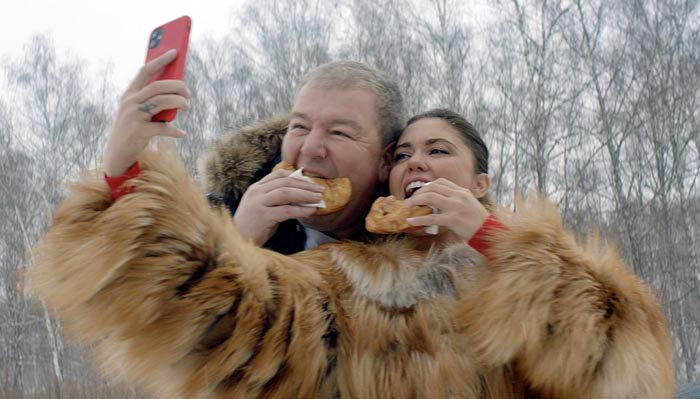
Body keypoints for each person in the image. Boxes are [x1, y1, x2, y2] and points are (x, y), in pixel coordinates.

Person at [28, 97, 675, 397]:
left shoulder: (545, 273)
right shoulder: (341, 276)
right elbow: (200, 316)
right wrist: (122, 171)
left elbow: (631, 372)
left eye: (438, 151)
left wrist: (495, 241)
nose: (414, 165)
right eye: (401, 155)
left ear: (480, 183)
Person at [103, 50, 404, 254]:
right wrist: (237, 244)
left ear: (386, 159)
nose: (310, 148)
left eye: (339, 132)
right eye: (299, 127)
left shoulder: (423, 236)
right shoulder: (215, 217)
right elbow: (136, 306)